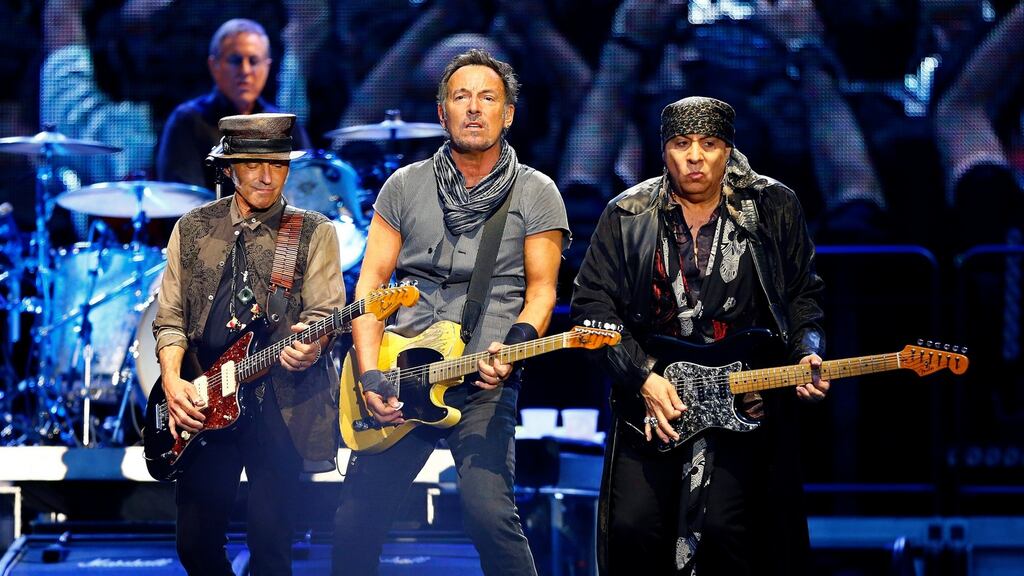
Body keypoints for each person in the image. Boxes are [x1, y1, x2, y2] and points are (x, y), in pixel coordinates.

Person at [331, 49, 569, 576]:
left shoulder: (537, 193)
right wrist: (370, 375)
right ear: (443, 113)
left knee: (489, 516)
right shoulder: (403, 187)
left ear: (508, 114)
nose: (475, 109)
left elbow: (543, 291)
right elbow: (370, 286)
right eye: (461, 97)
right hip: (402, 370)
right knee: (353, 525)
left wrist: (515, 346)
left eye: (488, 97)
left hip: (484, 377)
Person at [571, 96, 829, 575]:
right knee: (631, 529)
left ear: (727, 151)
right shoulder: (626, 214)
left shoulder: (773, 206)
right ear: (663, 150)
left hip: (743, 404)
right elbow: (591, 309)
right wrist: (643, 378)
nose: (694, 156)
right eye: (681, 144)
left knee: (729, 534)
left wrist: (806, 352)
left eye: (708, 144)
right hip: (652, 404)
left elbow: (803, 299)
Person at [152, 113, 343, 575]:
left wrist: (311, 346)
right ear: (228, 167)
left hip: (281, 401)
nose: (265, 175)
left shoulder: (314, 231)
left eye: (277, 164)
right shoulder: (192, 228)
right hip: (202, 399)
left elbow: (326, 315)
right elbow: (170, 318)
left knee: (272, 547)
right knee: (194, 545)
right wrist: (173, 380)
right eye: (253, 163)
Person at [156, 18, 311, 193]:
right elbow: (185, 203)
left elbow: (308, 192)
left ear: (267, 67)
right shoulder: (187, 121)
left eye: (253, 61)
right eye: (236, 60)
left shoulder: (287, 126)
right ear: (214, 65)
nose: (245, 71)